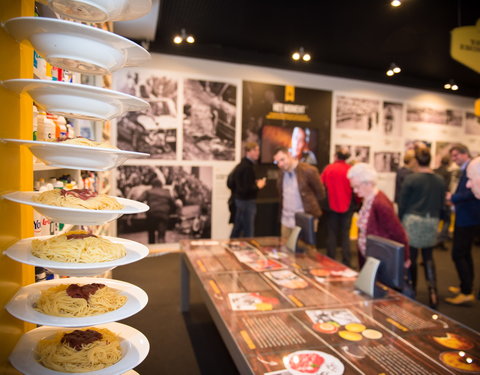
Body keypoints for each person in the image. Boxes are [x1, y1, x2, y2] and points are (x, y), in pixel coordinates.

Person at [398, 147, 445, 308]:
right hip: (431, 220)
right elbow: (441, 204)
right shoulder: (439, 180)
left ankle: (412, 291)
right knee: (428, 257)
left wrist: (399, 221)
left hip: (412, 220)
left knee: (411, 257)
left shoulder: (411, 179)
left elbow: (402, 203)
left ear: (416, 161)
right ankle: (433, 293)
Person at [346, 163, 410, 270]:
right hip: (371, 256)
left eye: (357, 187)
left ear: (368, 183)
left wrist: (405, 257)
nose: (355, 191)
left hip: (381, 260)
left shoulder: (380, 203)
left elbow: (398, 232)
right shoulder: (368, 199)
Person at [445, 144, 480, 305]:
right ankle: (467, 287)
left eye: (456, 155)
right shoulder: (470, 168)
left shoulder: (473, 168)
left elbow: (469, 194)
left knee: (459, 253)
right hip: (466, 216)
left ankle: (466, 290)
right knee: (465, 253)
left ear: (465, 154)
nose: (454, 159)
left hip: (468, 218)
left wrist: (454, 198)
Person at [273, 147, 325, 240]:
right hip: (286, 220)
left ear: (289, 155)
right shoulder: (281, 173)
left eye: (282, 159)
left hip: (303, 220)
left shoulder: (308, 170)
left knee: (306, 251)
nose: (280, 164)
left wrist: (312, 213)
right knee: (285, 250)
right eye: (277, 162)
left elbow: (320, 194)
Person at [321, 146, 354, 266]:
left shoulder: (329, 168)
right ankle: (347, 261)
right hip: (347, 206)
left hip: (331, 206)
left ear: (335, 156)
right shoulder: (350, 170)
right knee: (345, 234)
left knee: (332, 233)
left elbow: (321, 184)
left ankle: (330, 259)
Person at [228, 142, 266, 238]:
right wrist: (258, 186)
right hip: (246, 203)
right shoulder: (247, 167)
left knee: (238, 229)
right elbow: (244, 189)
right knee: (248, 232)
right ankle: (248, 252)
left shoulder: (242, 165)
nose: (258, 153)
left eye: (258, 150)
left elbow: (236, 184)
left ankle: (231, 248)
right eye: (255, 150)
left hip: (240, 202)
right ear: (248, 152)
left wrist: (253, 184)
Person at [139, 179, 176, 244]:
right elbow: (173, 204)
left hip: (151, 214)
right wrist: (169, 212)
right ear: (161, 185)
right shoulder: (167, 192)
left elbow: (139, 200)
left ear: (152, 185)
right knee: (161, 236)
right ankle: (161, 250)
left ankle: (152, 249)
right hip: (163, 214)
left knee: (151, 234)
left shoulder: (148, 191)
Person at [434, 155, 453, 249]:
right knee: (447, 220)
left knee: (437, 220)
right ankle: (440, 239)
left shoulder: (435, 171)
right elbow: (446, 187)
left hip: (435, 200)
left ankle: (435, 239)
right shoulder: (448, 173)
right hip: (443, 200)